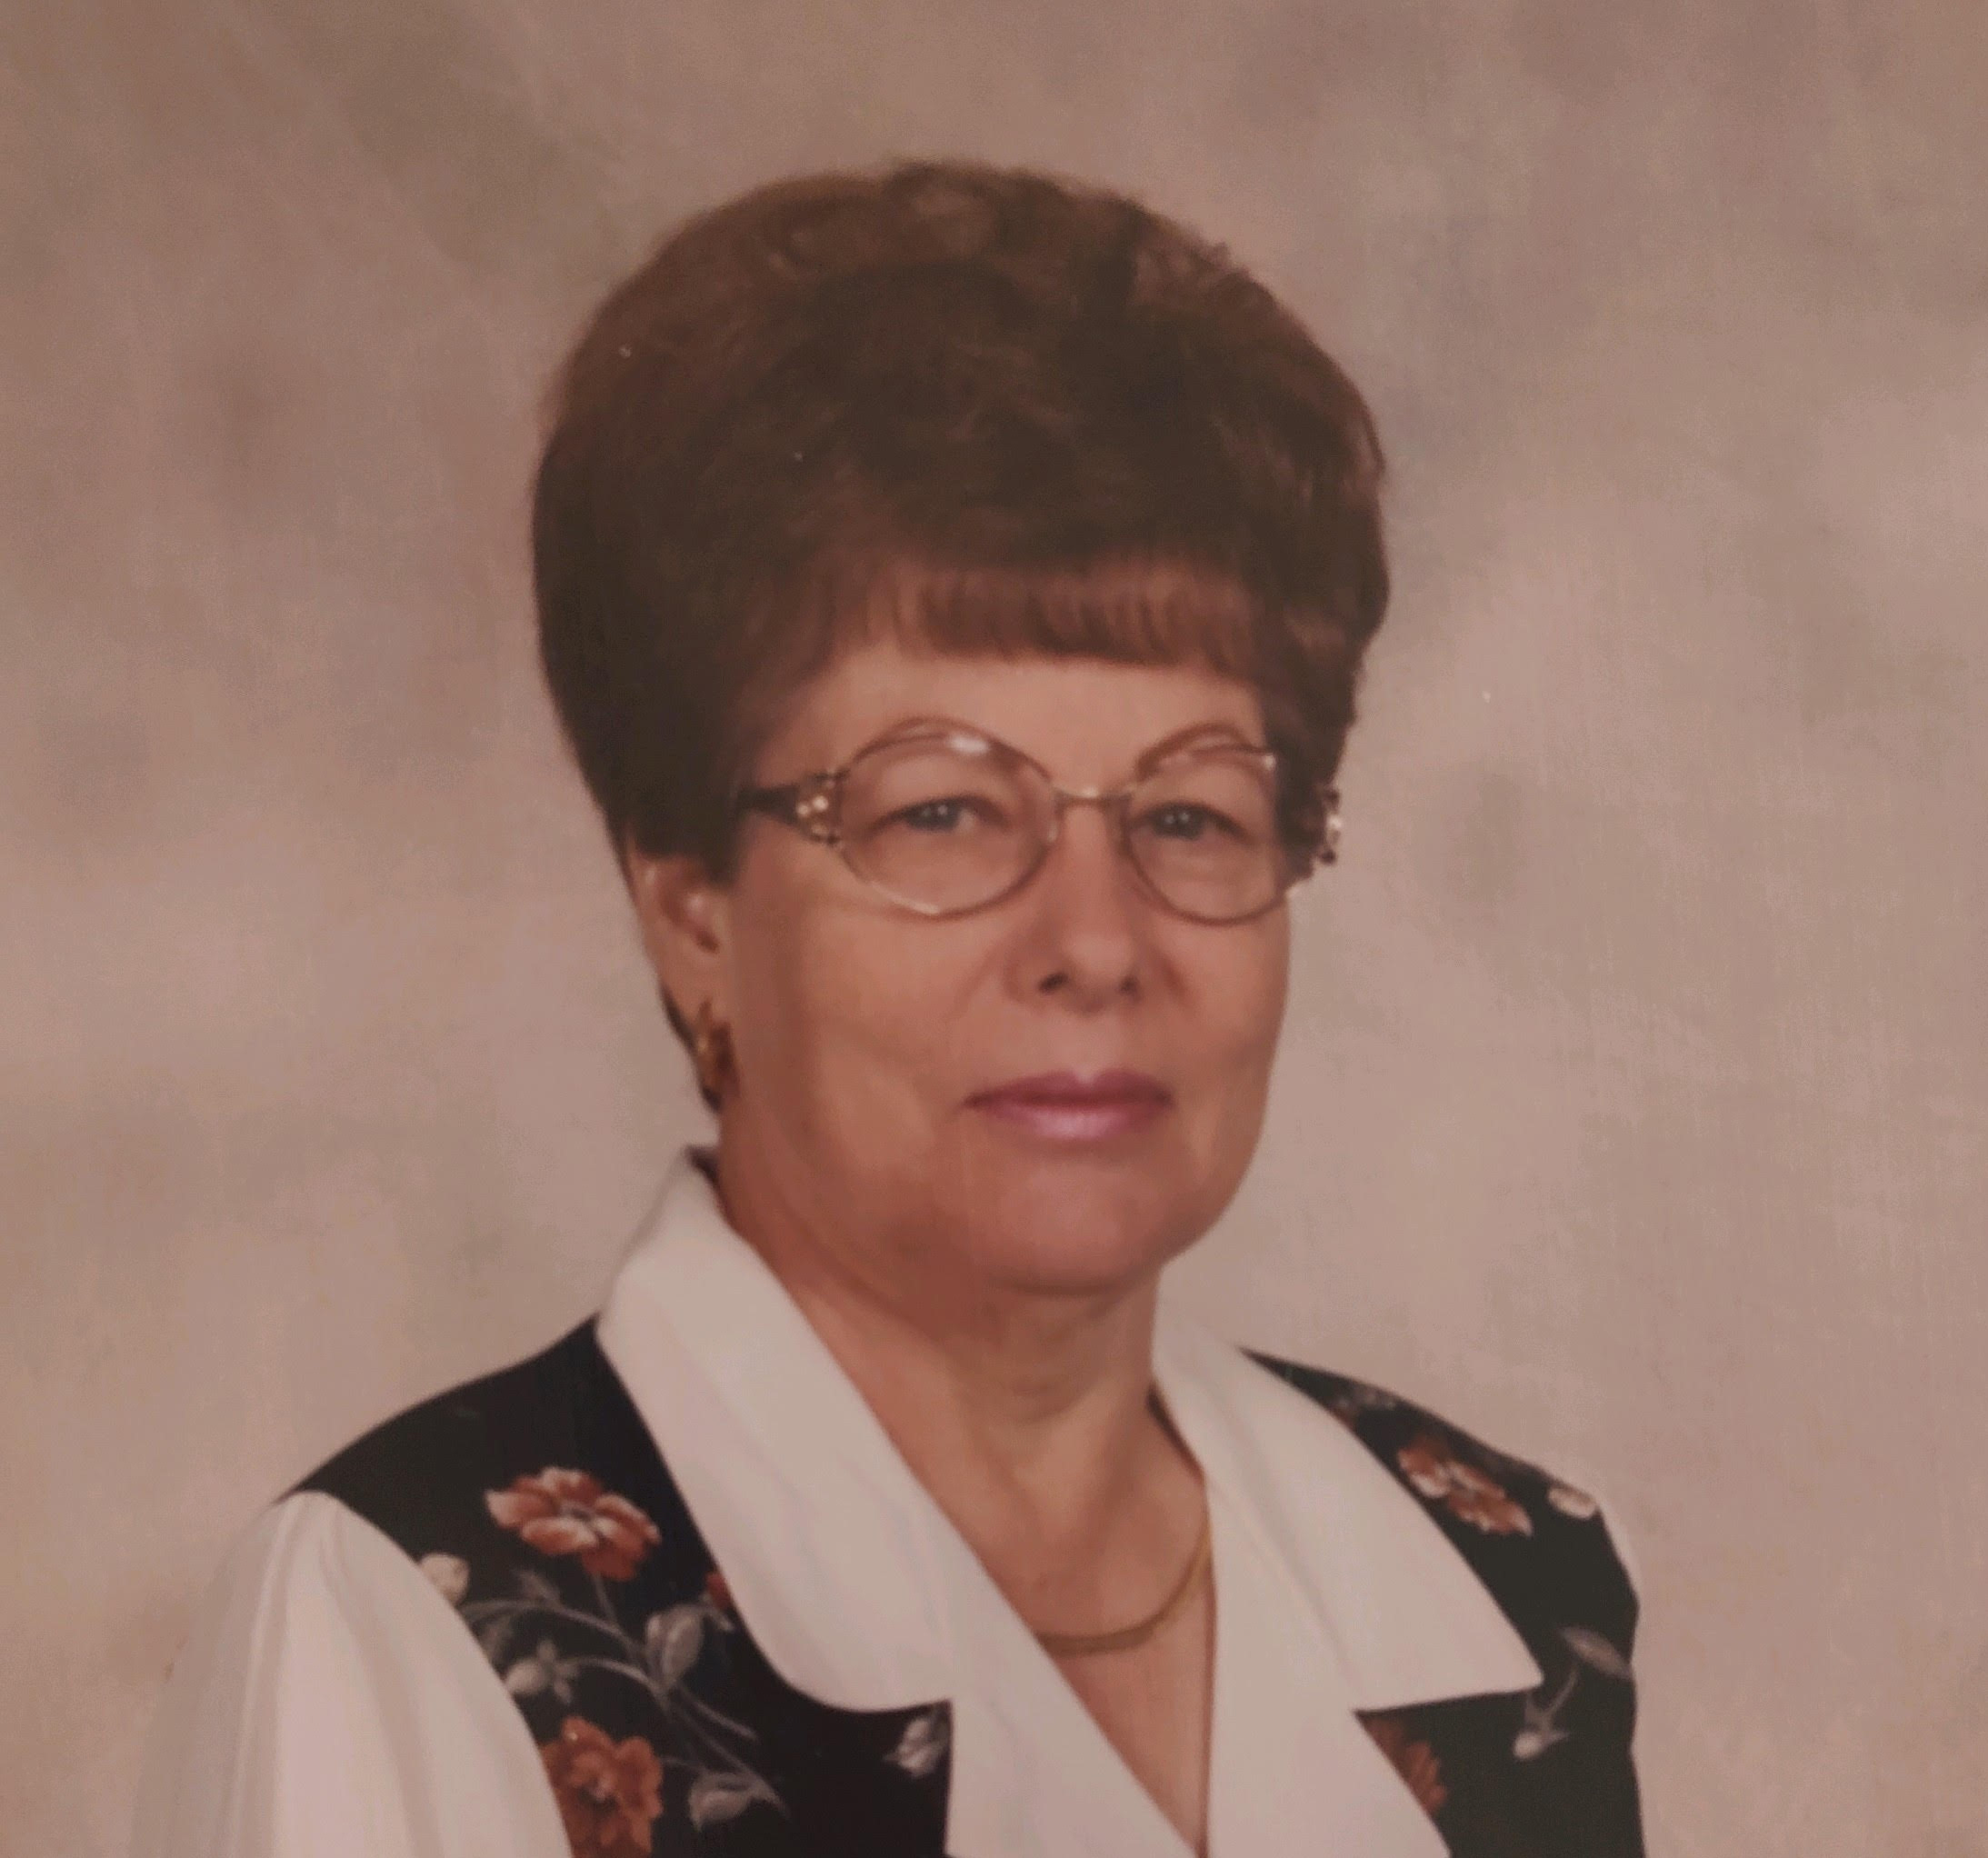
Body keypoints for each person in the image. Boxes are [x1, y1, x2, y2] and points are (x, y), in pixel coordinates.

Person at [134, 158, 1643, 1858]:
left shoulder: (1510, 1582)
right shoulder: (414, 1627)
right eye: (942, 811)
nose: (1097, 941)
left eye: (1188, 816)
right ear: (692, 908)